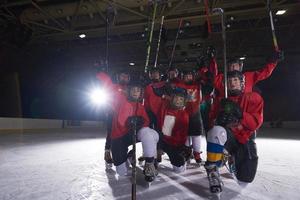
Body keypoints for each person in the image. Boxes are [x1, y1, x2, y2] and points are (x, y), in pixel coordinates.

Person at [204, 70, 264, 193]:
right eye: (229, 81)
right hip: (227, 138)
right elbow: (211, 124)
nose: (232, 83)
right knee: (216, 131)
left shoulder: (253, 98)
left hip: (244, 138)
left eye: (235, 80)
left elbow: (255, 123)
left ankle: (233, 160)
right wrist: (217, 120)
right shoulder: (221, 100)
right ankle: (213, 169)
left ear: (242, 83)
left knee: (244, 180)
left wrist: (241, 114)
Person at [97, 71, 159, 180]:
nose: (136, 92)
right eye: (133, 90)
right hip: (119, 137)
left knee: (150, 133)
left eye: (138, 90)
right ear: (128, 91)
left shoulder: (140, 106)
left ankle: (149, 164)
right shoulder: (119, 99)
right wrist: (100, 71)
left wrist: (140, 122)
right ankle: (129, 156)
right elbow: (107, 83)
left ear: (141, 93)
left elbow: (146, 122)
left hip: (131, 134)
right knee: (121, 172)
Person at [212, 49, 284, 96]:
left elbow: (264, 73)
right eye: (231, 65)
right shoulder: (221, 78)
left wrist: (273, 61)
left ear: (240, 67)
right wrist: (212, 60)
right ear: (227, 67)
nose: (233, 68)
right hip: (228, 107)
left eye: (235, 65)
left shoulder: (248, 77)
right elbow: (211, 77)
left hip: (245, 107)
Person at [97, 69, 130, 166]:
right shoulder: (114, 86)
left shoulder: (130, 89)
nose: (124, 78)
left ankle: (124, 151)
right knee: (111, 132)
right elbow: (105, 81)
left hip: (125, 115)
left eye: (126, 77)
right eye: (122, 76)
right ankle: (107, 152)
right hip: (113, 114)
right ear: (118, 77)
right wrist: (100, 71)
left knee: (125, 133)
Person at [157, 88, 192, 173]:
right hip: (162, 139)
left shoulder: (183, 115)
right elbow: (161, 101)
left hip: (174, 144)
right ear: (172, 98)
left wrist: (170, 144)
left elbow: (181, 136)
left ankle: (182, 158)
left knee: (179, 169)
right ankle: (155, 157)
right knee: (152, 141)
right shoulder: (165, 108)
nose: (178, 101)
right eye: (176, 98)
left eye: (181, 99)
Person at [176, 69, 204, 164]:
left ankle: (197, 153)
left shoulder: (197, 85)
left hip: (195, 112)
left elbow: (205, 80)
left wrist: (203, 70)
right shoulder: (179, 86)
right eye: (186, 76)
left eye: (190, 76)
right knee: (186, 134)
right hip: (184, 113)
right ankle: (187, 152)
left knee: (196, 134)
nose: (188, 78)